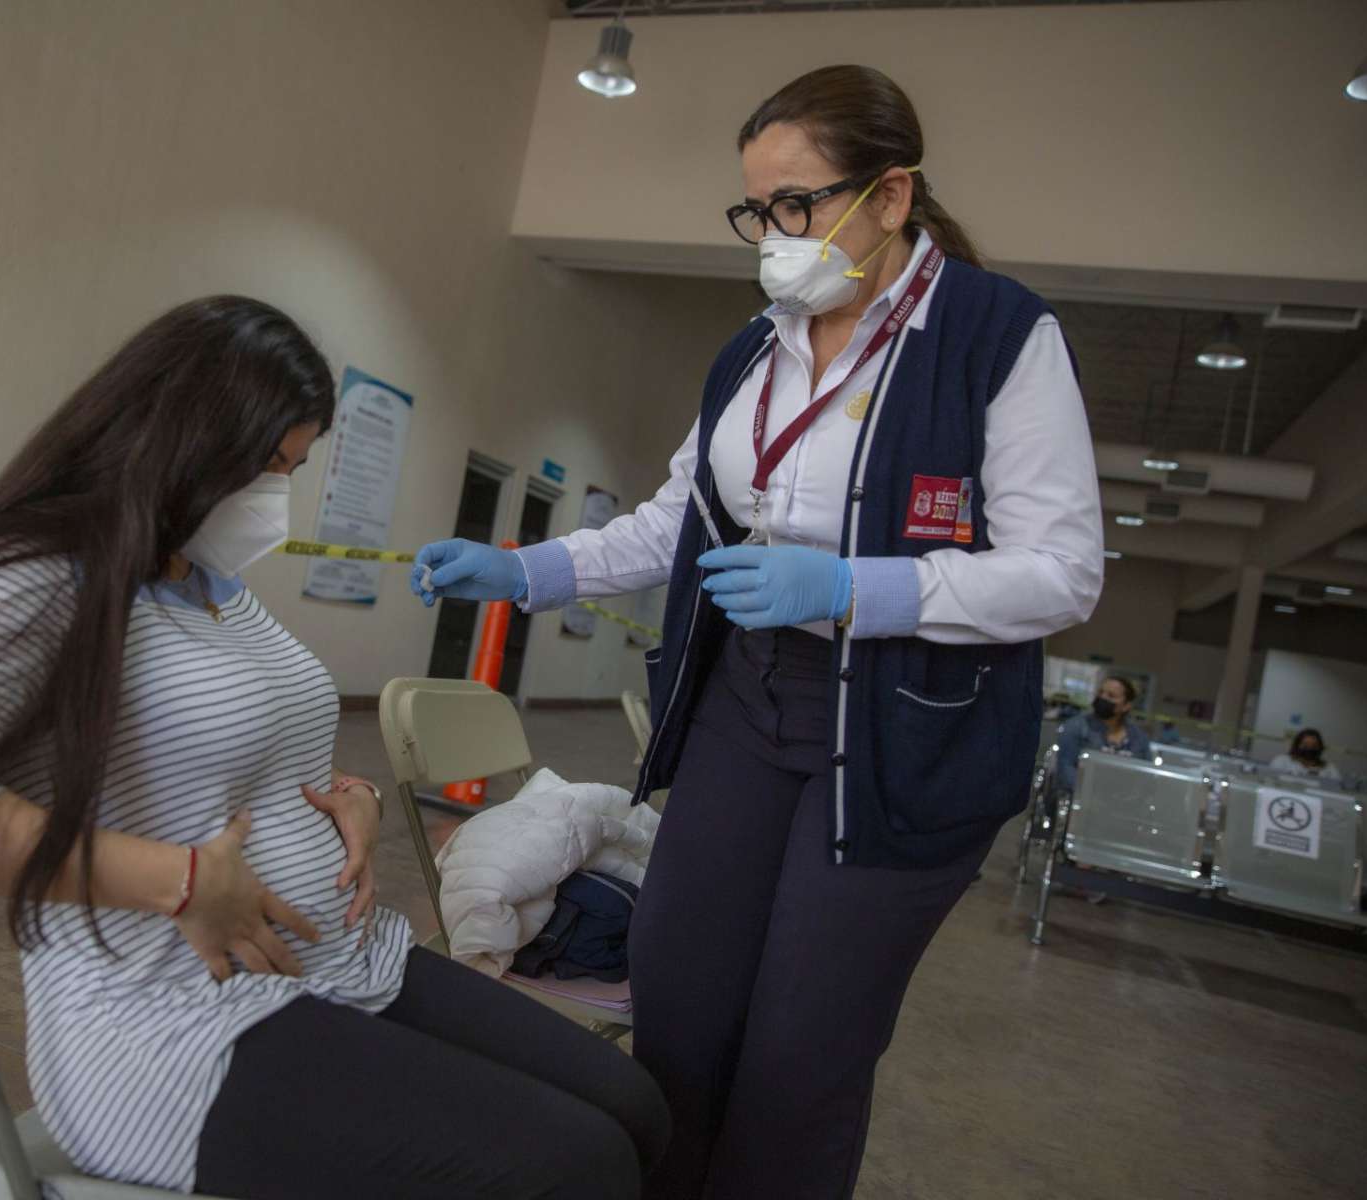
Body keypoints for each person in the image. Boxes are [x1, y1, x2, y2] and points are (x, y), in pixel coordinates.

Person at [410, 65, 1102, 1200]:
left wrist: (852, 589)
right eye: (758, 209)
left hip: (898, 736)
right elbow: (680, 519)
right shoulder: (758, 346)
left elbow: (1063, 574)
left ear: (892, 195)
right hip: (747, 703)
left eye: (799, 202)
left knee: (800, 1057)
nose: (775, 233)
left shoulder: (998, 336)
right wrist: (530, 567)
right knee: (678, 1001)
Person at [0, 297, 668, 1199]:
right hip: (172, 1022)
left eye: (294, 468)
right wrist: (184, 881)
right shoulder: (33, 574)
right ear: (184, 434)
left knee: (635, 1110)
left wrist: (352, 796)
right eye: (270, 465)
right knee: (579, 1165)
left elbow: (246, 732)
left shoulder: (206, 579)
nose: (278, 496)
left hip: (343, 963)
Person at [1053, 675, 1152, 794]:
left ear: (1126, 705)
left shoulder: (1138, 738)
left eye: (1111, 696)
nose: (1103, 697)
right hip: (1081, 799)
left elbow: (1145, 776)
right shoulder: (1076, 727)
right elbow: (1066, 769)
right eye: (1101, 692)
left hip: (1122, 803)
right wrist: (1092, 796)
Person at [1270, 728, 1343, 781]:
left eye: (1314, 745)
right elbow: (1270, 781)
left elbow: (1338, 788)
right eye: (1305, 745)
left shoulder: (1329, 769)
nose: (1310, 748)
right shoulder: (1282, 761)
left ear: (1320, 748)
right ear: (1297, 745)